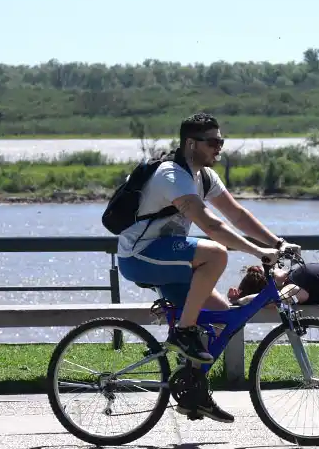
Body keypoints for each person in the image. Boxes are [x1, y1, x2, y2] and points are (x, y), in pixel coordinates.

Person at [114, 112, 300, 423]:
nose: (219, 148)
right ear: (191, 144)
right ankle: (185, 332)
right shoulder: (171, 176)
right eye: (213, 142)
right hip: (140, 256)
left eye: (221, 141)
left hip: (169, 260)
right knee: (216, 254)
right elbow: (212, 225)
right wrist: (258, 252)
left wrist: (277, 244)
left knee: (221, 318)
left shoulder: (205, 177)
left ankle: (194, 393)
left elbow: (237, 215)